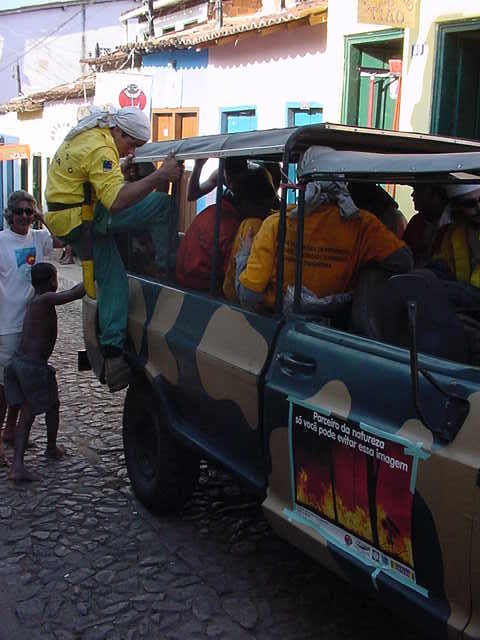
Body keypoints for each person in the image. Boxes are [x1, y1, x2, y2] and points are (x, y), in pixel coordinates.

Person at [45, 105, 183, 392]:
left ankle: (111, 352)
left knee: (111, 276)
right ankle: (168, 269)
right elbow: (117, 202)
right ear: (118, 131)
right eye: (130, 145)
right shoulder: (100, 149)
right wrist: (159, 177)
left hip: (70, 216)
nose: (129, 152)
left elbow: (91, 179)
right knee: (163, 205)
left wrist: (119, 170)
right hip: (82, 218)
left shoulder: (89, 137)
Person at [237, 180, 413, 312]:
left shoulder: (277, 222)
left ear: (302, 186)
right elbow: (403, 261)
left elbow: (249, 296)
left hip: (280, 322)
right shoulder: (363, 224)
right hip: (340, 325)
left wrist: (244, 254)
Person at [4, 263, 85, 481]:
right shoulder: (46, 299)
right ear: (52, 281)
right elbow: (75, 293)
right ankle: (18, 466)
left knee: (51, 405)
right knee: (28, 414)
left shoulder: (34, 300)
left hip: (19, 363)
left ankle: (50, 447)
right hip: (33, 366)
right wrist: (94, 274)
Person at [0, 190, 61, 460]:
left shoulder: (39, 238)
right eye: (20, 211)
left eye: (29, 211)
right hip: (8, 326)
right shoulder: (1, 242)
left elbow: (63, 240)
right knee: (3, 389)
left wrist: (43, 218)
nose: (24, 216)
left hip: (31, 326)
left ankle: (10, 433)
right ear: (9, 214)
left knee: (21, 386)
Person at [176, 164, 279, 294]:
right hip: (202, 292)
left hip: (182, 283)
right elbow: (233, 281)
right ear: (246, 203)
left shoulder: (212, 210)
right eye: (264, 208)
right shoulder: (235, 228)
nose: (265, 214)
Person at [432, 184, 480, 287]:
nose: (479, 208)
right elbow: (443, 266)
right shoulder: (452, 234)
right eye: (470, 204)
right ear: (457, 207)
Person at [403, 184, 450, 266]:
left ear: (435, 196)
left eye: (417, 190)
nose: (412, 195)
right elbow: (404, 254)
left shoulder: (454, 224)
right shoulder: (416, 221)